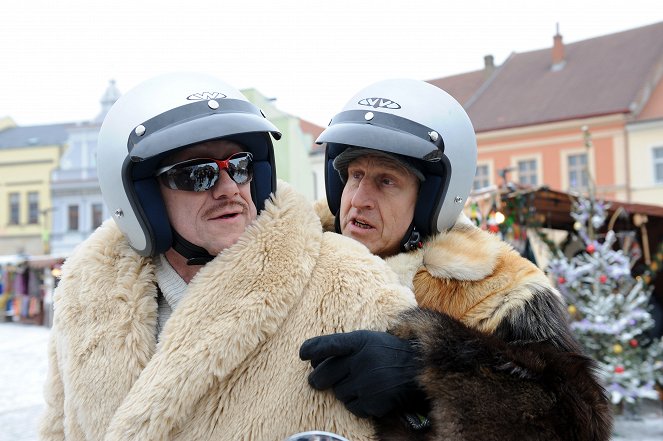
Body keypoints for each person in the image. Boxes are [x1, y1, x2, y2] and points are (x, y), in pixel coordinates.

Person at [38, 73, 418, 441]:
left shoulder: (348, 283)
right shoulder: (84, 295)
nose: (227, 188)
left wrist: (421, 386)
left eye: (239, 167)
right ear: (142, 197)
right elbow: (57, 428)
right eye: (198, 175)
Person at [300, 79, 613, 440]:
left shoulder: (497, 286)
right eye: (355, 175)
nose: (360, 198)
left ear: (432, 199)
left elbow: (579, 419)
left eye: (386, 181)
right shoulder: (301, 251)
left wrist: (425, 371)